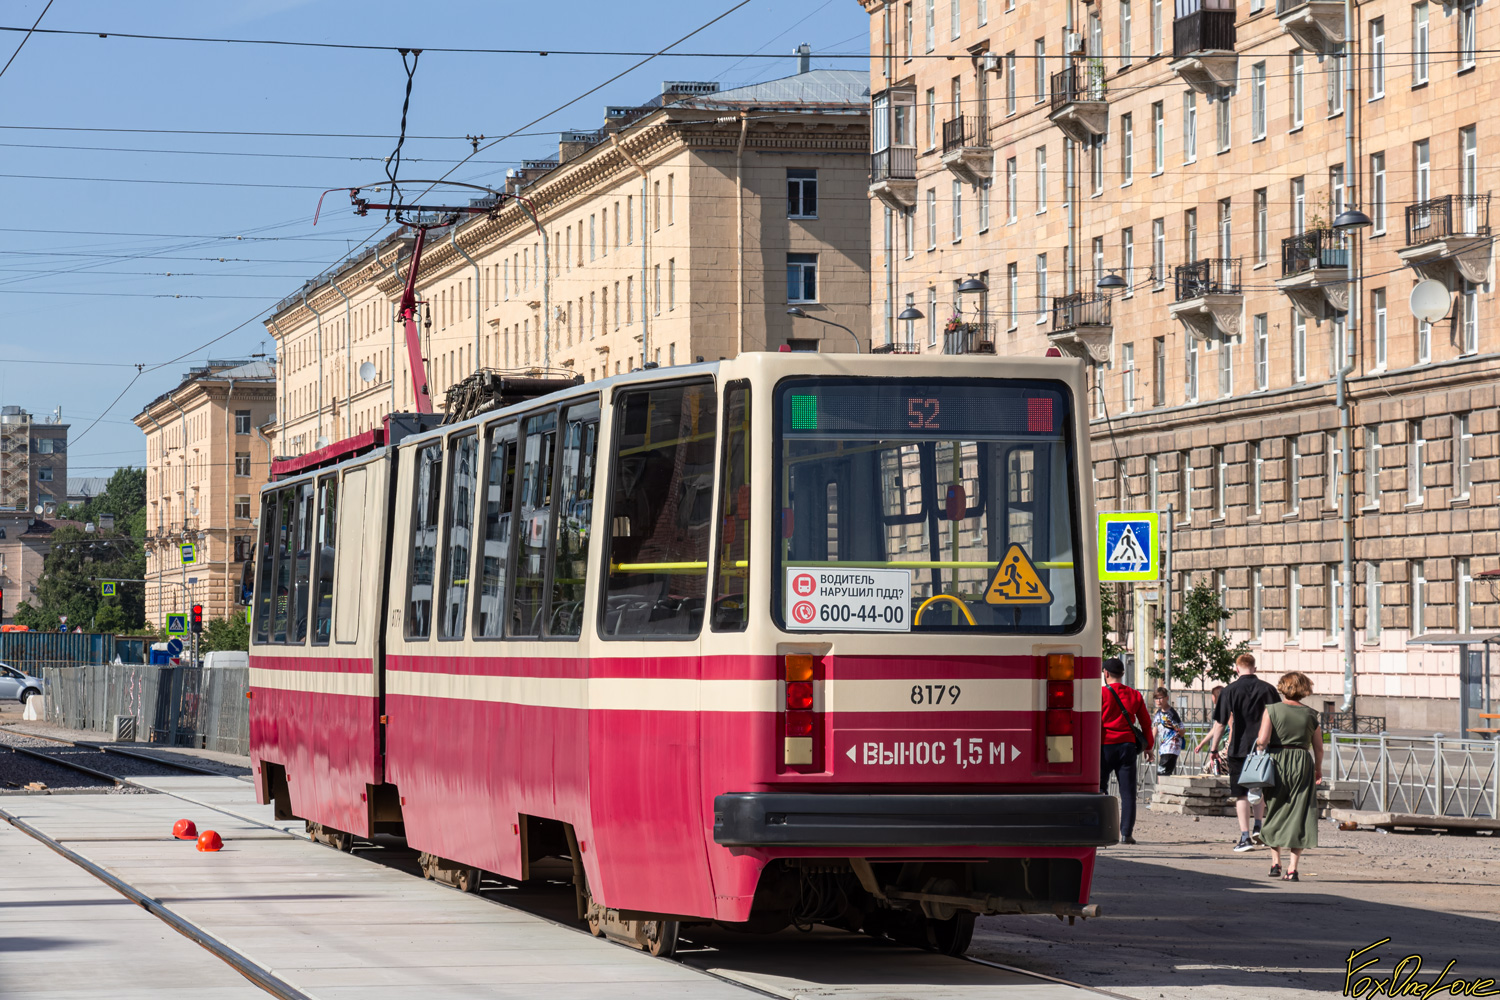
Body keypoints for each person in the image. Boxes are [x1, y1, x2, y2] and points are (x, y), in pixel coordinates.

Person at [1198, 653, 1280, 852]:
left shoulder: (1229, 691)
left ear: (1236, 669)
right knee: (1259, 786)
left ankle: (1245, 838)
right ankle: (1258, 827)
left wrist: (1214, 749)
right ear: (1255, 668)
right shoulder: (1268, 689)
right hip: (1263, 747)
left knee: (1241, 794)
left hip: (1238, 748)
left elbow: (1220, 724)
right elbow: (1279, 717)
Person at [1256, 671, 1323, 880]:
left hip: (1277, 761)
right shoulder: (1311, 714)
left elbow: (1262, 740)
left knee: (1274, 809)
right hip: (1303, 762)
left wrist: (1258, 747)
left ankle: (1275, 863)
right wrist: (1318, 769)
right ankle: (1292, 868)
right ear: (1304, 689)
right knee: (1300, 813)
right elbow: (1319, 748)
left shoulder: (1272, 710)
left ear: (1283, 688)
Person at [1099, 657, 1154, 844]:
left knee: (1100, 789)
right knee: (1128, 792)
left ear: (1106, 673)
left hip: (1104, 746)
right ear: (1122, 674)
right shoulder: (1134, 695)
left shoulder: (1101, 694)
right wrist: (1149, 747)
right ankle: (1126, 834)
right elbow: (1146, 723)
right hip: (1127, 746)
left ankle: (1101, 830)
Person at [1151, 687, 1186, 775]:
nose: (1158, 701)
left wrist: (1176, 728)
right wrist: (1150, 748)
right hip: (1163, 748)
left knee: (1162, 774)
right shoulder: (1158, 713)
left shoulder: (1171, 713)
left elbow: (1182, 730)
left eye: (1160, 698)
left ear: (1167, 698)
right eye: (1156, 698)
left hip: (1171, 747)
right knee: (1163, 775)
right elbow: (1154, 731)